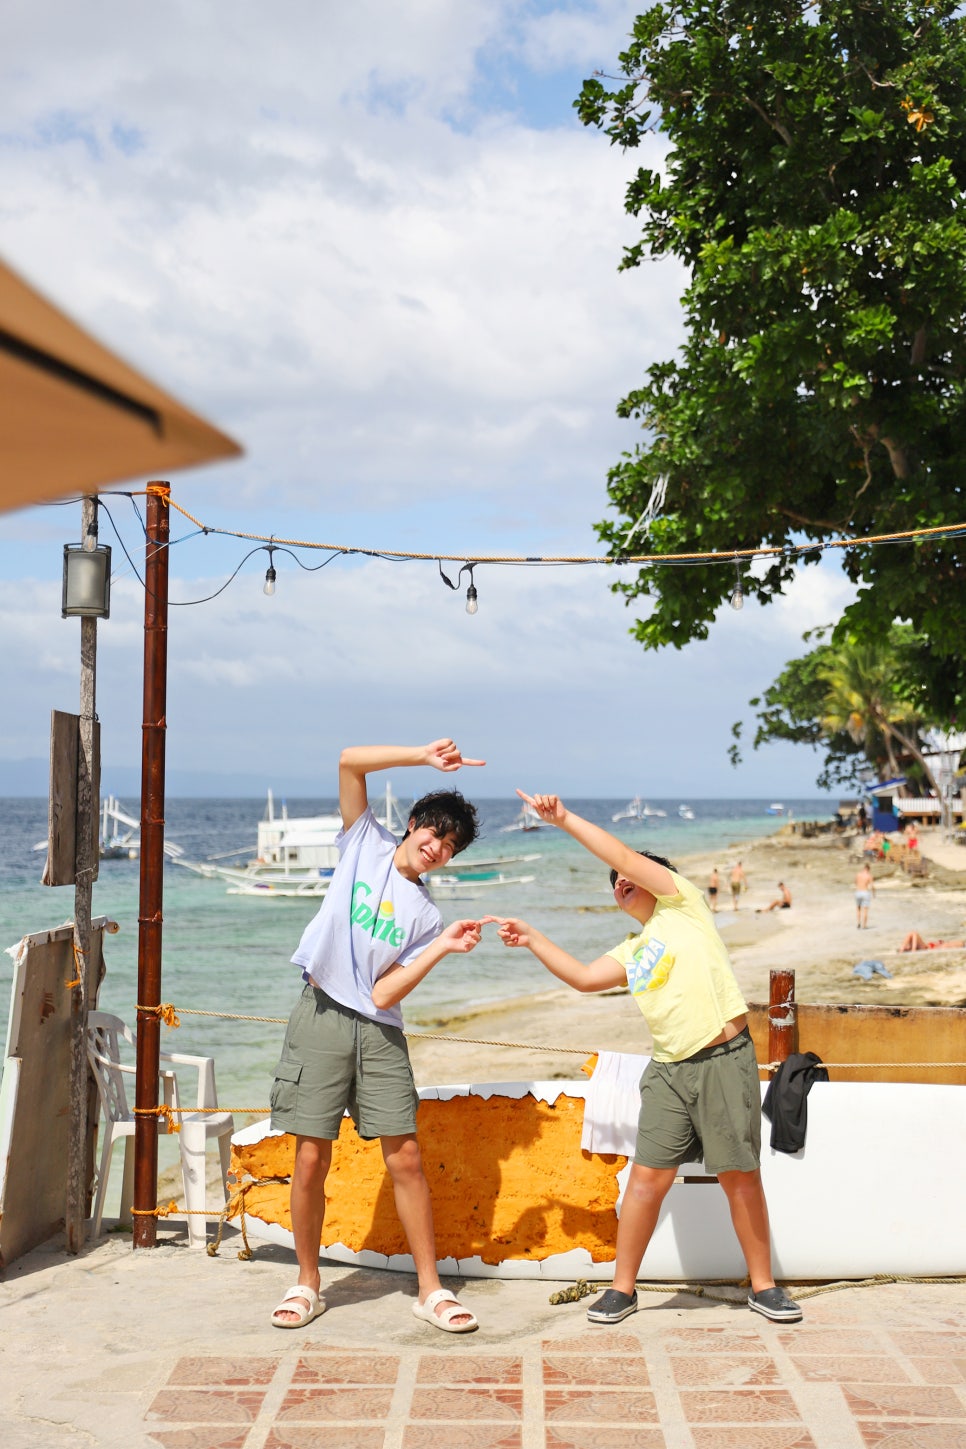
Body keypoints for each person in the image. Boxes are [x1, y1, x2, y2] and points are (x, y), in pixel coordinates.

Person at [485, 790, 802, 1326]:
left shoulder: (685, 907)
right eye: (613, 883)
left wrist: (562, 820)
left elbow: (628, 859)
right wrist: (534, 938)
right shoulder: (633, 951)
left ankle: (764, 1285)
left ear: (660, 880)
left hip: (724, 1059)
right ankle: (622, 1289)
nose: (620, 881)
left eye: (628, 874)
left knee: (739, 1175)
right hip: (669, 1072)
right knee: (645, 1181)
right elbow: (585, 979)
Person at [269, 739, 485, 1333]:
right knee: (310, 1154)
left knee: (406, 1158)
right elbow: (348, 760)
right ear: (412, 824)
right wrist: (423, 755)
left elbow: (386, 995)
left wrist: (441, 947)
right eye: (433, 833)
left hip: (379, 1032)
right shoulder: (365, 841)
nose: (436, 848)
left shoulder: (426, 916)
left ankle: (431, 1290)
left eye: (448, 846)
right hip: (319, 1012)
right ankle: (307, 1283)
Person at [854, 862, 875, 929]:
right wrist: (874, 893)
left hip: (858, 892)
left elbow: (856, 882)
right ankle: (864, 925)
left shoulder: (858, 874)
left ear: (864, 868)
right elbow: (872, 886)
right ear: (868, 869)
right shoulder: (869, 876)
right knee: (865, 910)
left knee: (858, 909)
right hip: (865, 892)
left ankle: (858, 923)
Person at [899, 931, 965, 952]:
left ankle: (903, 949)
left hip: (928, 947)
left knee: (913, 933)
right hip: (927, 947)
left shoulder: (944, 945)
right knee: (912, 933)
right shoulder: (943, 945)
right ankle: (905, 950)